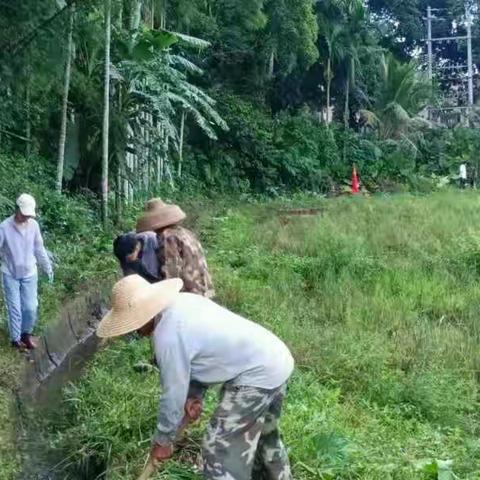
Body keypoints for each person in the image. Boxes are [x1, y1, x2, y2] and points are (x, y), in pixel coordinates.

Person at [97, 275, 294, 479]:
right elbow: (203, 351)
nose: (136, 332)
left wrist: (163, 441)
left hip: (256, 376)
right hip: (276, 359)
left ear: (144, 314)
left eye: (134, 324)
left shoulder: (168, 336)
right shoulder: (182, 303)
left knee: (219, 449)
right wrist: (194, 395)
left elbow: (173, 396)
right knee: (264, 437)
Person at [0, 194, 53, 350]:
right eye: (23, 213)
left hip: (30, 271)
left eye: (28, 214)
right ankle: (16, 339)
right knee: (14, 307)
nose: (25, 217)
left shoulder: (33, 226)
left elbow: (39, 248)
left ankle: (26, 334)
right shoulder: (4, 227)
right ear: (17, 209)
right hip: (10, 272)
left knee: (30, 307)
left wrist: (47, 267)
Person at [136, 199, 214, 298]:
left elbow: (171, 270)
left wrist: (168, 296)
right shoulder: (185, 232)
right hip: (202, 286)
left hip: (189, 291)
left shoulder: (168, 237)